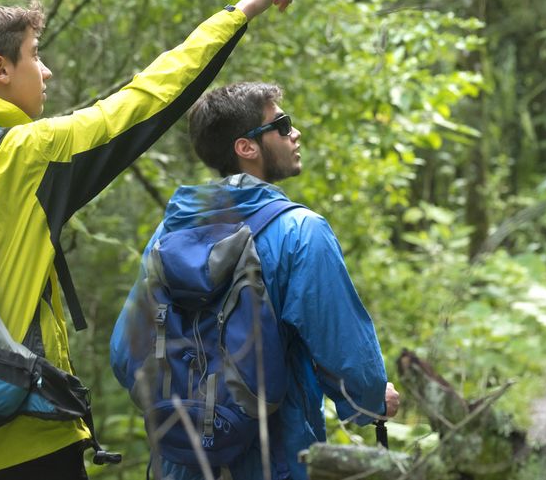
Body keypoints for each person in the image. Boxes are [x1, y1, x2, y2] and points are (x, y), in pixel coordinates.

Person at [0, 0, 300, 480]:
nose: (46, 70)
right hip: (25, 444)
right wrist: (244, 8)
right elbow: (146, 98)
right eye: (34, 54)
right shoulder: (25, 154)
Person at [110, 81, 400, 480]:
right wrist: (371, 401)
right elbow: (347, 357)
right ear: (246, 147)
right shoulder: (300, 231)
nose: (294, 133)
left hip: (180, 463)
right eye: (281, 124)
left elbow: (125, 356)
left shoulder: (168, 233)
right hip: (274, 461)